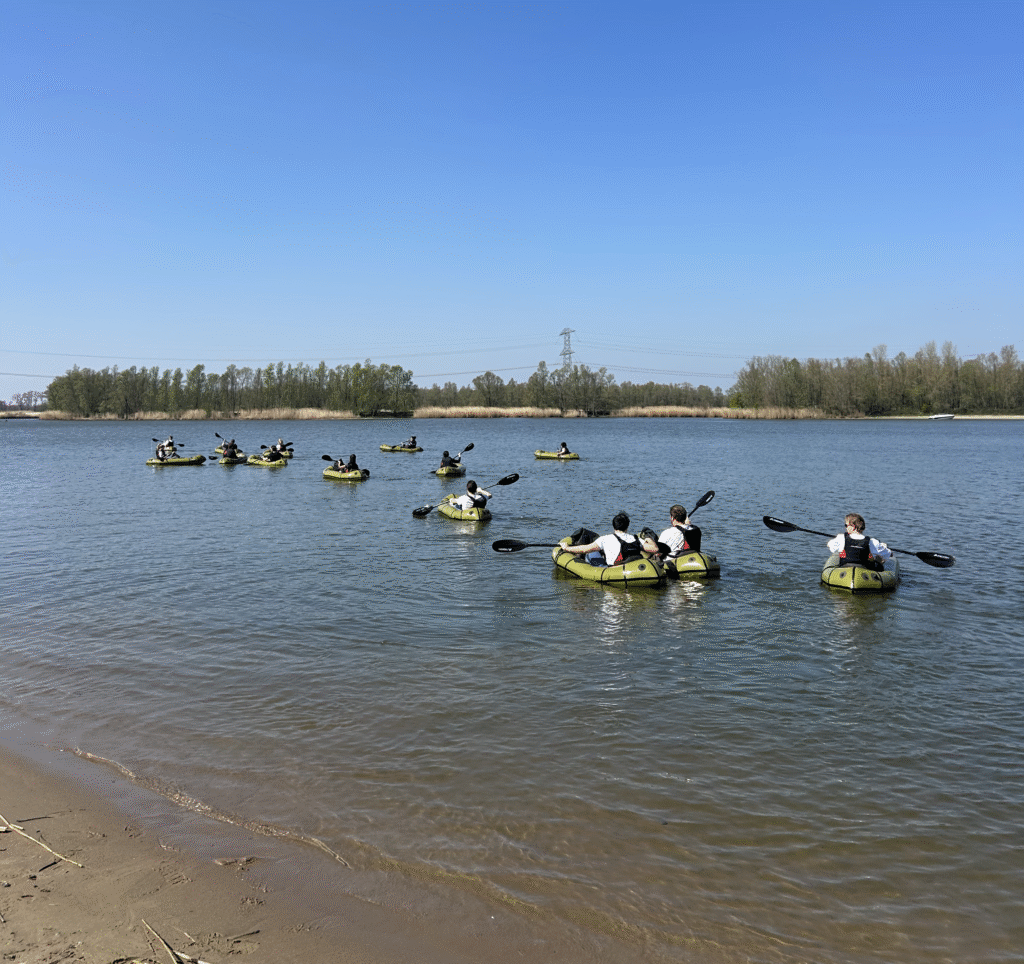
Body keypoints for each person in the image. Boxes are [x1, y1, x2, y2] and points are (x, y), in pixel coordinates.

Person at [562, 513, 643, 567]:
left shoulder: (605, 539)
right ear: (627, 526)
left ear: (614, 526)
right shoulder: (635, 538)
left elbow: (584, 549)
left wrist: (567, 548)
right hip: (631, 567)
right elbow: (654, 549)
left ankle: (581, 562)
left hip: (611, 569)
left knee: (590, 553)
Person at [826, 513, 891, 569]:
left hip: (845, 568)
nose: (845, 528)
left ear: (853, 526)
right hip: (864, 569)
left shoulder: (841, 537)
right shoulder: (872, 542)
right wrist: (883, 547)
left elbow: (830, 545)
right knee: (878, 559)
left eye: (846, 525)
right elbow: (887, 554)